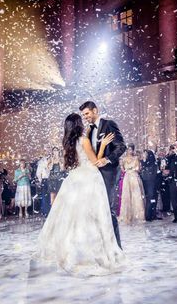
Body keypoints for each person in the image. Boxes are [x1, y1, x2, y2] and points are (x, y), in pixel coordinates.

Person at [37, 113, 124, 276]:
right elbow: (95, 162)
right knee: (91, 216)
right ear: (78, 124)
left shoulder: (66, 143)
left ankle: (72, 249)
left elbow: (69, 163)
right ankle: (89, 251)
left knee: (73, 217)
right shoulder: (84, 140)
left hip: (74, 178)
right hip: (89, 178)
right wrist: (104, 145)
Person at [79, 101, 126, 248]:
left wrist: (108, 159)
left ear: (95, 110)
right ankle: (102, 245)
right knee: (98, 209)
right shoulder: (90, 131)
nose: (85, 117)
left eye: (87, 113)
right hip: (95, 174)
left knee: (109, 209)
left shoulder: (109, 124)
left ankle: (116, 248)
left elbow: (121, 146)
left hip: (109, 172)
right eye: (83, 115)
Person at [119, 143, 145, 224]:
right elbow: (122, 169)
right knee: (127, 196)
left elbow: (139, 168)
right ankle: (127, 215)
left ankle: (137, 215)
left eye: (130, 149)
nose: (129, 151)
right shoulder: (123, 159)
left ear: (133, 150)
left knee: (136, 196)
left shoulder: (136, 158)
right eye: (128, 149)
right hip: (127, 178)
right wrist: (125, 169)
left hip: (134, 177)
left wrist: (132, 168)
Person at [140, 150, 158, 221]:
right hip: (144, 182)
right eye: (144, 154)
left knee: (151, 198)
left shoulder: (153, 163)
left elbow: (154, 174)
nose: (144, 155)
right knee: (148, 198)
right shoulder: (142, 162)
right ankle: (148, 215)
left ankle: (150, 215)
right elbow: (141, 171)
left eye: (146, 154)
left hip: (151, 183)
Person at [36, 147, 51, 217]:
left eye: (48, 151)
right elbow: (38, 173)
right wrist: (41, 180)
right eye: (45, 151)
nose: (47, 152)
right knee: (45, 196)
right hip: (45, 180)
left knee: (52, 196)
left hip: (53, 179)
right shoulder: (41, 161)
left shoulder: (52, 159)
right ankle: (46, 212)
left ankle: (51, 211)